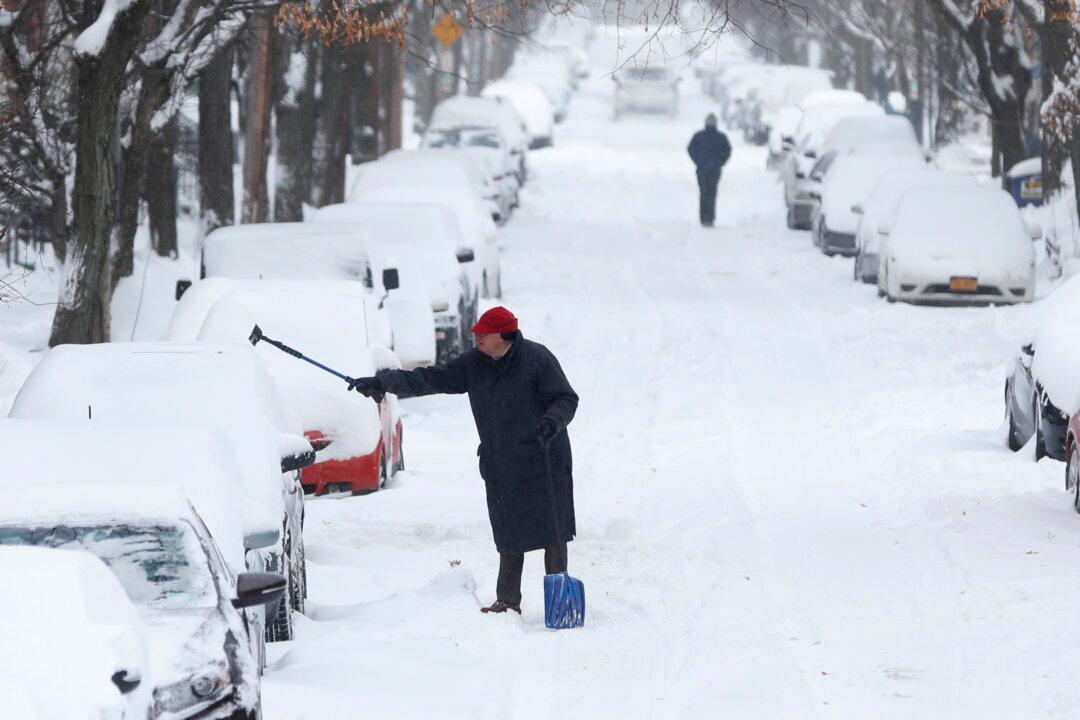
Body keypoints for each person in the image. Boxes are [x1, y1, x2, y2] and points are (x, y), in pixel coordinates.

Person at [346, 306, 579, 615]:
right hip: (501, 462)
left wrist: (552, 421)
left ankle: (561, 601)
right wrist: (383, 383)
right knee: (509, 532)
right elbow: (431, 378)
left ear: (502, 335)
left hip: (544, 456)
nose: (476, 337)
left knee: (552, 530)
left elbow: (565, 398)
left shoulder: (537, 359)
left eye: (483, 333)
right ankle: (508, 601)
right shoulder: (474, 364)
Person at [687, 113, 732, 227]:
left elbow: (690, 149)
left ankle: (703, 217)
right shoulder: (721, 137)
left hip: (701, 169)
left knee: (703, 192)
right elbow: (727, 150)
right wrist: (720, 162)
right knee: (712, 192)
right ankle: (710, 218)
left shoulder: (698, 136)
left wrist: (697, 160)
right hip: (715, 169)